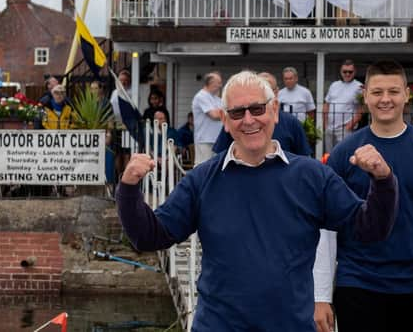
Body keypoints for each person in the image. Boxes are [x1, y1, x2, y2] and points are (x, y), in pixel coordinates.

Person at [116, 70, 398, 331]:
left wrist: (383, 181)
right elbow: (149, 236)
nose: (248, 120)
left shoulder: (313, 177)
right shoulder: (201, 181)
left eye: (257, 109)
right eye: (237, 113)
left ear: (274, 111)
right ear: (225, 121)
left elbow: (369, 229)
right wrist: (128, 188)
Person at [313, 60, 413, 332]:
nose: (385, 99)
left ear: (406, 94)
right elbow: (327, 230)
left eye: (393, 91)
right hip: (357, 282)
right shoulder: (344, 153)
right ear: (365, 96)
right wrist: (320, 297)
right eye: (377, 92)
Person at [213, 72, 311, 156]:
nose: (248, 121)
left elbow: (304, 156)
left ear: (276, 93)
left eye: (257, 108)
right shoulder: (234, 121)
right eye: (238, 111)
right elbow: (220, 154)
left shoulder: (291, 122)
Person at [323, 60, 363, 153]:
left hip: (345, 128)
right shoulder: (334, 85)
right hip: (330, 127)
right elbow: (326, 104)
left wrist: (350, 125)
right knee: (329, 154)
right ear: (341, 72)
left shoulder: (359, 86)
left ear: (355, 72)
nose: (347, 74)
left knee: (344, 154)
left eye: (350, 72)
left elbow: (362, 109)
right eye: (345, 71)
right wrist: (325, 124)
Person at [191, 72, 223, 166]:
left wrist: (222, 112)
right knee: (202, 166)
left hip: (216, 139)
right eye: (218, 82)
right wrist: (223, 112)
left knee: (214, 167)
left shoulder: (216, 98)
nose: (220, 85)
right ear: (211, 83)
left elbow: (224, 112)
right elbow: (214, 115)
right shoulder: (201, 96)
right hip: (204, 139)